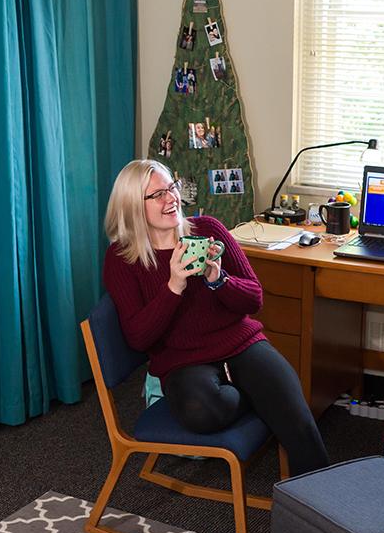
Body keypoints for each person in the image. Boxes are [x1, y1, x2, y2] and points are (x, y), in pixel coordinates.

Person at [103, 160, 330, 476]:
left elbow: (254, 299)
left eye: (172, 187)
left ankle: (320, 501)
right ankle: (253, 397)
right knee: (202, 412)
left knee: (297, 418)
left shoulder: (208, 229)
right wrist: (173, 286)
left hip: (240, 343)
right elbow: (139, 338)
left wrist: (218, 278)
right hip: (181, 361)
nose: (172, 199)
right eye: (157, 195)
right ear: (132, 206)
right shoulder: (122, 259)